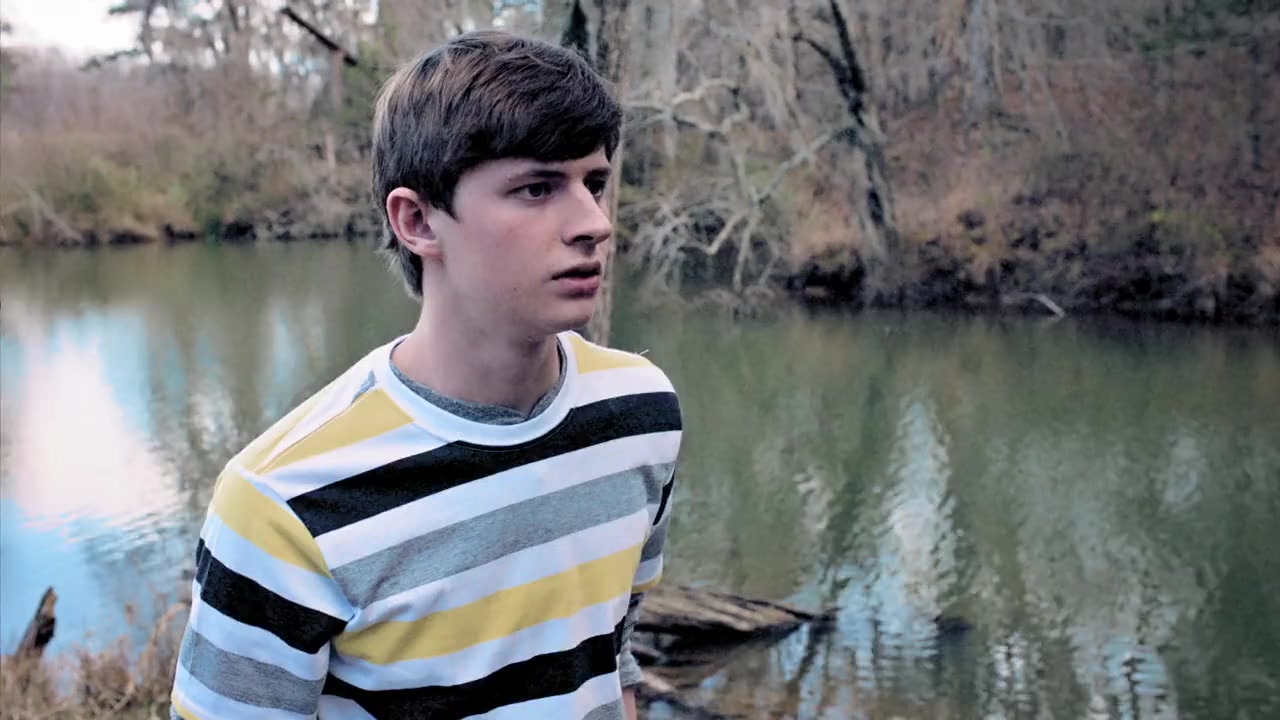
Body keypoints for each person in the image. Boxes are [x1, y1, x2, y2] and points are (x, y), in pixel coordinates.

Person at [169, 30, 682, 720]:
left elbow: (612, 652)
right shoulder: (280, 505)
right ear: (417, 221)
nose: (594, 222)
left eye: (594, 183)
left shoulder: (641, 411)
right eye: (537, 188)